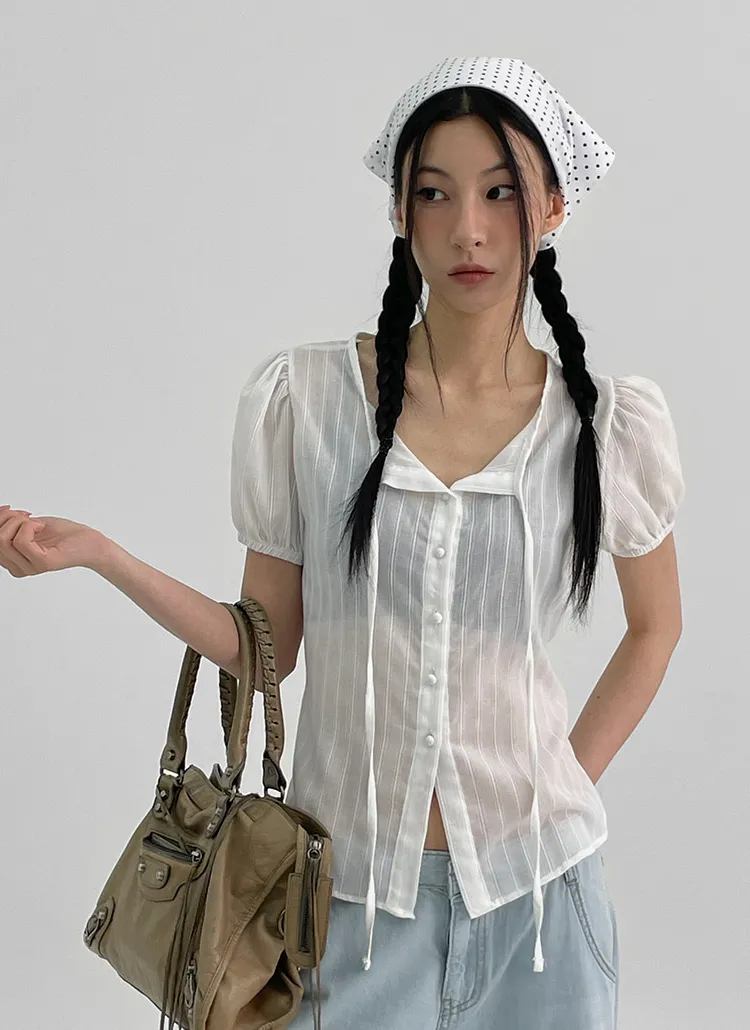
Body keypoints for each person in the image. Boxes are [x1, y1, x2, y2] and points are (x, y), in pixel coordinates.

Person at [0, 57, 685, 1030]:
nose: (469, 227)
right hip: (347, 907)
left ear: (553, 207)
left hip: (543, 914)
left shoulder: (607, 425)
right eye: (434, 193)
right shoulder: (309, 401)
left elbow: (656, 627)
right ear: (401, 212)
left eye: (501, 191)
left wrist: (563, 784)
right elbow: (264, 648)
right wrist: (105, 556)